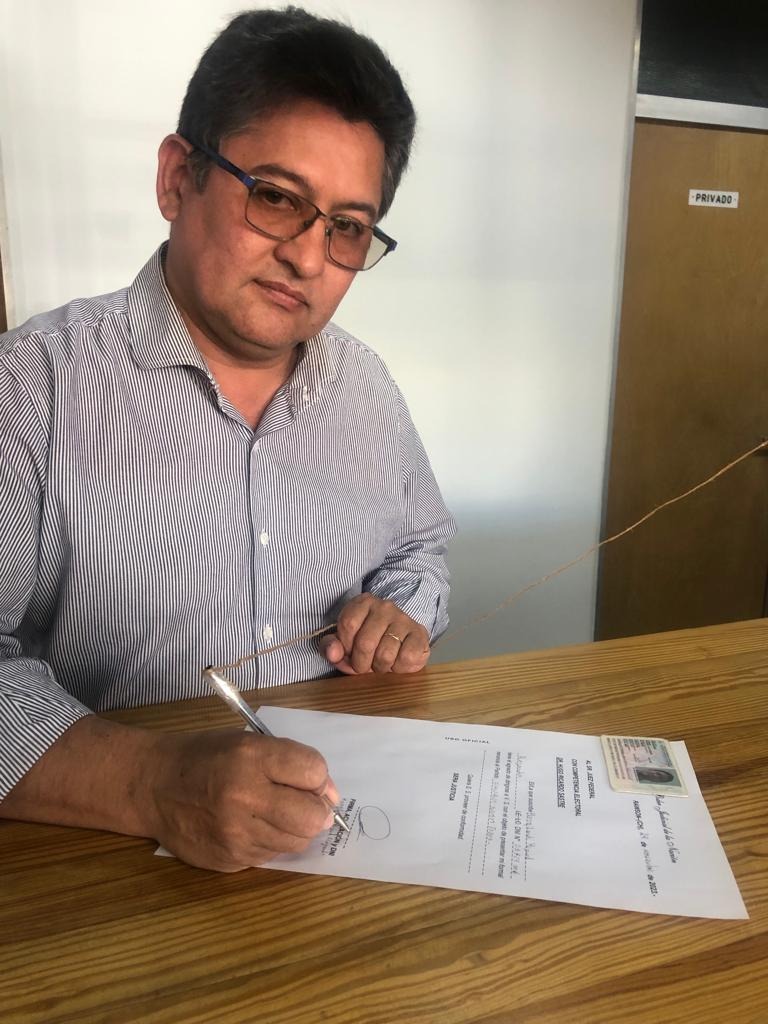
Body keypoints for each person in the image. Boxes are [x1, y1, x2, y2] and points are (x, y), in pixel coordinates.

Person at [0, 7, 455, 871]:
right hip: (111, 869)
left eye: (347, 227)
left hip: (345, 836)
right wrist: (153, 784)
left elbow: (422, 549)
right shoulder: (32, 387)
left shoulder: (366, 388)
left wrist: (402, 613)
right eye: (277, 198)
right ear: (179, 178)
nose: (309, 259)